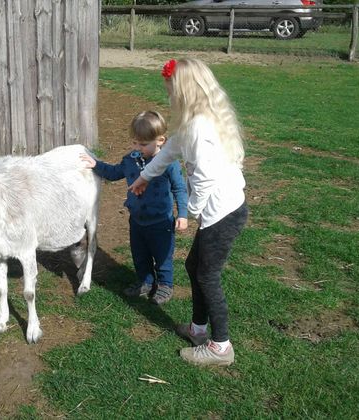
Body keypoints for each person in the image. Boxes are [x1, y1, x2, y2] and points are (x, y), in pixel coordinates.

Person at [128, 58, 248, 367]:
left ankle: (221, 347)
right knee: (194, 266)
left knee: (207, 274)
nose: (168, 96)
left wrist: (190, 210)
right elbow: (168, 153)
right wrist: (145, 177)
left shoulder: (199, 127)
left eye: (170, 90)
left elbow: (205, 177)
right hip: (221, 211)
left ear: (183, 91)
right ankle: (197, 329)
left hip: (223, 214)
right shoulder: (195, 120)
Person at [81, 111, 188, 305]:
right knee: (140, 254)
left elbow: (179, 188)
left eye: (143, 144)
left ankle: (165, 285)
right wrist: (95, 164)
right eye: (135, 143)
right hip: (137, 220)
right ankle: (145, 281)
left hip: (161, 222)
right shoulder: (131, 160)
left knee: (162, 256)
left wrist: (182, 214)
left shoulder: (168, 163)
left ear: (161, 140)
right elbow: (114, 173)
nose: (137, 148)